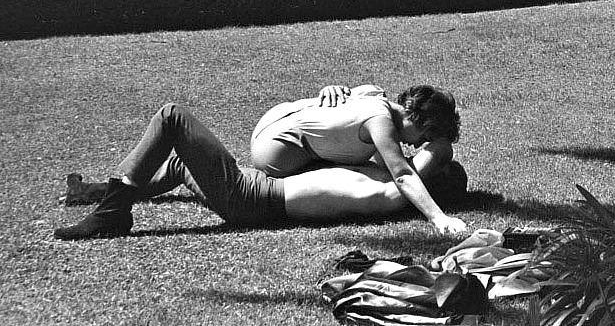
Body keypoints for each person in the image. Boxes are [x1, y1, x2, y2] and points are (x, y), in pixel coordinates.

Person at [53, 103, 468, 240]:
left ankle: (113, 213)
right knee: (181, 162)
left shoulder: (393, 185)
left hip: (254, 198)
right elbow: (417, 161)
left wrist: (440, 216)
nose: (413, 147)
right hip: (257, 196)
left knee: (172, 116)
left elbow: (418, 167)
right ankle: (101, 196)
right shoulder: (382, 174)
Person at [250, 84, 465, 233]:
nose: (417, 145)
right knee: (370, 176)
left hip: (272, 122)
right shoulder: (380, 122)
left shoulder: (373, 94)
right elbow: (401, 174)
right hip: (276, 153)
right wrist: (439, 218)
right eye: (425, 138)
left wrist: (330, 89)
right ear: (420, 122)